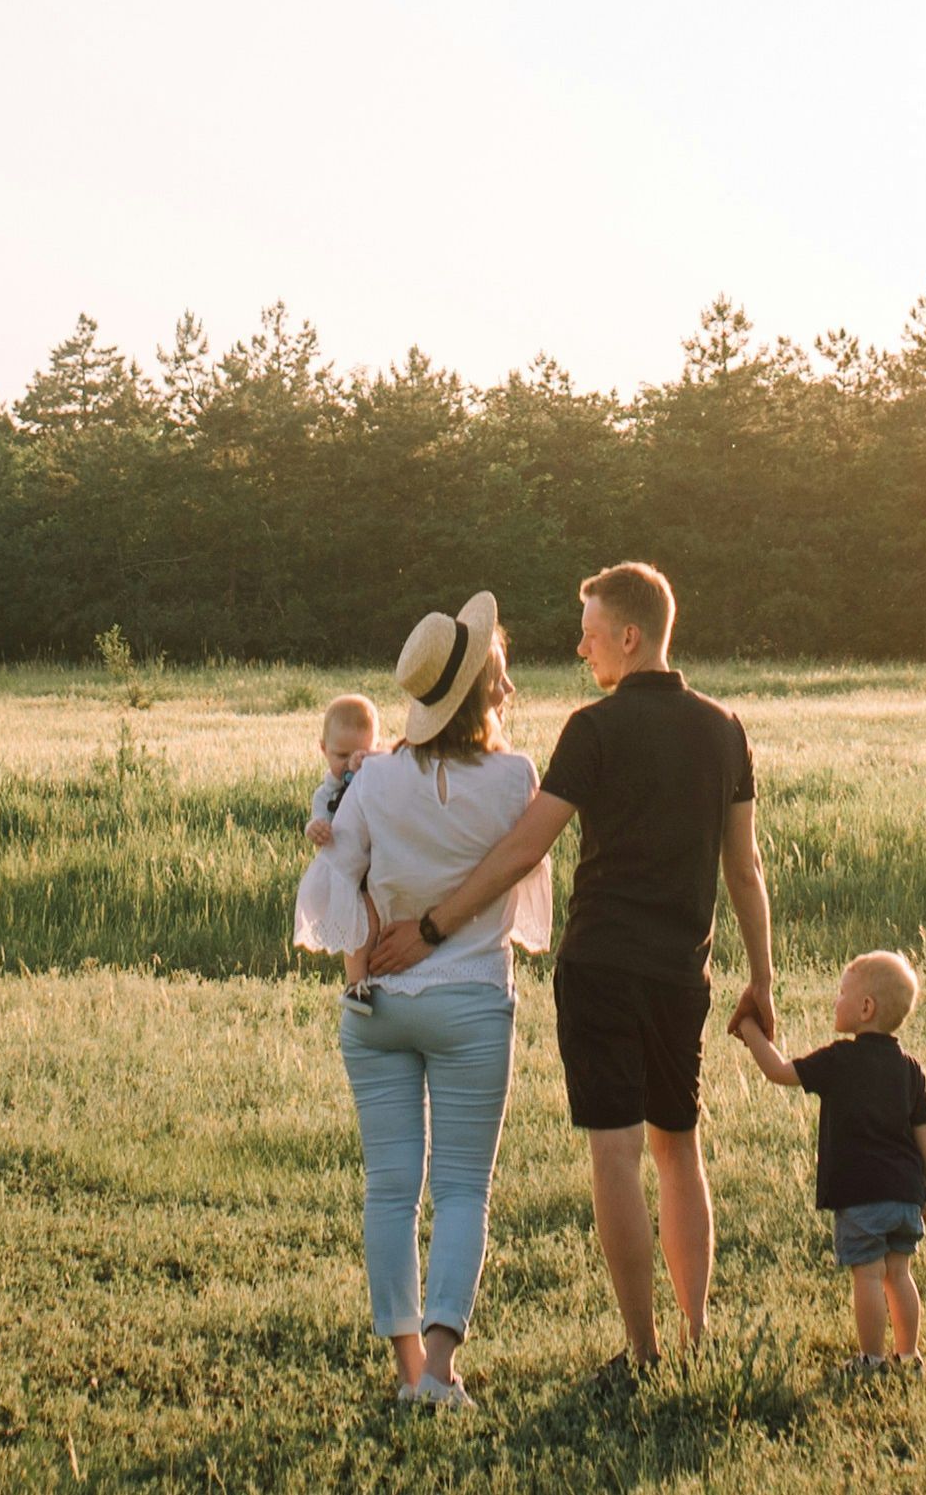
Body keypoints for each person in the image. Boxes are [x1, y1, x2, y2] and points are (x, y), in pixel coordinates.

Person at [359, 561, 772, 1372]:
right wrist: (762, 976)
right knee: (679, 1147)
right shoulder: (725, 728)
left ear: (628, 634)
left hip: (600, 968)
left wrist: (434, 925)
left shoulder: (593, 728)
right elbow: (744, 866)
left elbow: (523, 847)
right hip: (682, 972)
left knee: (615, 1153)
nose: (580, 645)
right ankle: (696, 1338)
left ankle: (643, 1351)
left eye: (589, 630)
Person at [293, 595, 550, 1410]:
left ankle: (407, 1370)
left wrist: (363, 961)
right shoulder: (515, 778)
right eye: (500, 677)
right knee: (463, 1188)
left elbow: (341, 879)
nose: (509, 689)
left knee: (389, 1188)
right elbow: (520, 876)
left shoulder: (371, 777)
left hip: (378, 1007)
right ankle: (439, 1372)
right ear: (479, 691)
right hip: (472, 1001)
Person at [733, 950, 926, 1380]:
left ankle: (871, 1360)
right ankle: (909, 1356)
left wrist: (749, 1028)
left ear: (866, 1009)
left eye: (842, 992)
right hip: (905, 1195)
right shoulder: (910, 1069)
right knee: (899, 1273)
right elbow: (925, 1129)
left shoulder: (839, 1060)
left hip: (862, 1196)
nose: (835, 1000)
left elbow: (780, 1071)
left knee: (867, 1275)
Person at [305, 692, 382, 849]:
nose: (351, 763)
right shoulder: (325, 796)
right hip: (341, 866)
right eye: (342, 755)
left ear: (377, 749)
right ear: (324, 749)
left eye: (362, 755)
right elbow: (321, 821)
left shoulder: (379, 786)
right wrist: (314, 828)